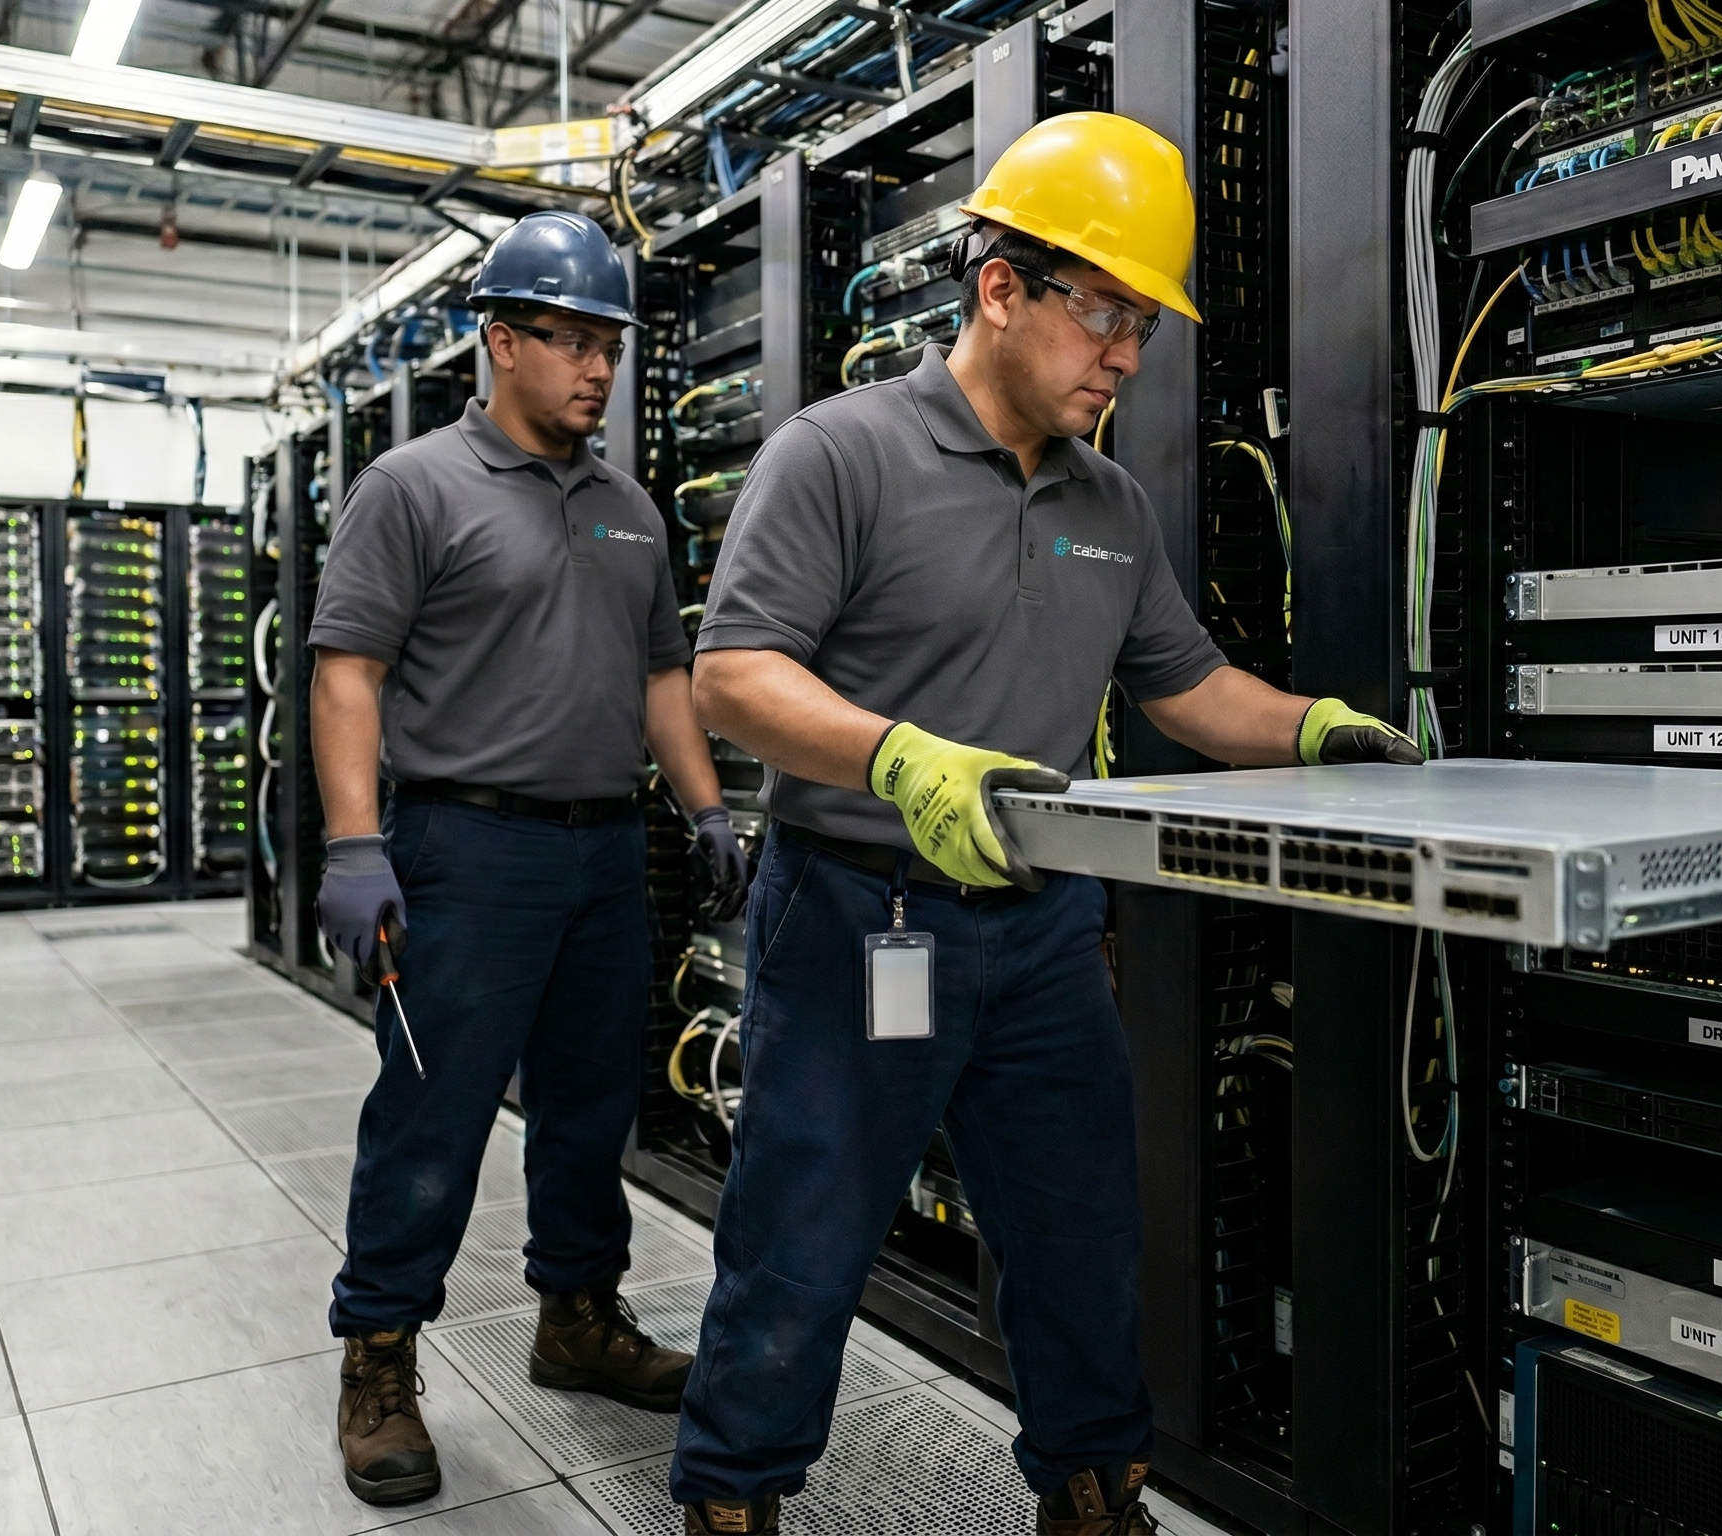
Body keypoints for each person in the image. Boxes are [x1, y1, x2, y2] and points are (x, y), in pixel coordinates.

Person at [664, 114, 1422, 1536]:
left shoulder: (1110, 503)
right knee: (802, 1234)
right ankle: (733, 1495)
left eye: (1144, 325)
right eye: (1106, 315)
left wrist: (1318, 728)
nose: (1128, 355)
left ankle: (1090, 1490)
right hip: (861, 913)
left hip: (1045, 927)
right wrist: (898, 759)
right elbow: (733, 676)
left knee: (1079, 1231)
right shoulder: (841, 454)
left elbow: (1187, 688)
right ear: (1000, 287)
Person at [305, 208, 752, 1509]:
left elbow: (662, 676)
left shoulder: (629, 510)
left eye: (609, 344)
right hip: (465, 846)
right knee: (432, 1112)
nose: (597, 368)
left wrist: (706, 808)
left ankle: (578, 1317)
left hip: (604, 852)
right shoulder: (413, 488)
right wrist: (354, 845)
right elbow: (346, 674)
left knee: (592, 1104)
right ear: (500, 340)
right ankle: (379, 1358)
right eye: (569, 341)